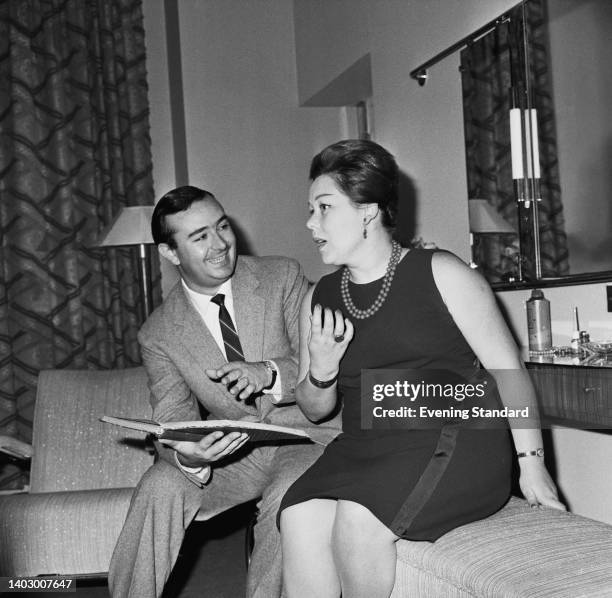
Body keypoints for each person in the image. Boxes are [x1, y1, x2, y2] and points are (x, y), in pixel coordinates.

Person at [278, 139, 565, 598]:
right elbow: (314, 409)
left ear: (368, 211)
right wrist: (322, 371)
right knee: (298, 516)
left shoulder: (442, 273)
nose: (311, 223)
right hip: (365, 444)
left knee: (357, 517)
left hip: (454, 438)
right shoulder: (320, 297)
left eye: (324, 208)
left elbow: (506, 369)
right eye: (311, 209)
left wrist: (532, 467)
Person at [108, 185, 340, 598]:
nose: (220, 245)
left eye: (222, 227)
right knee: (160, 484)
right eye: (199, 237)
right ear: (170, 253)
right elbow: (172, 418)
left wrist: (266, 372)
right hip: (237, 453)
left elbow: (318, 360)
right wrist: (187, 454)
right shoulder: (159, 333)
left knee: (288, 496)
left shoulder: (280, 276)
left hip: (308, 436)